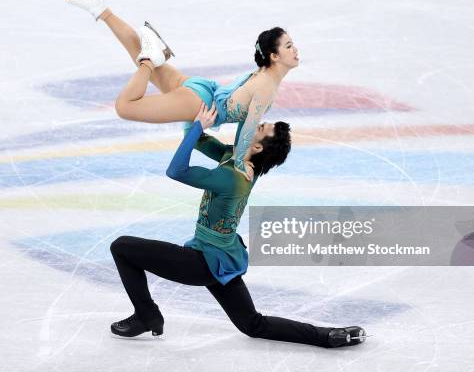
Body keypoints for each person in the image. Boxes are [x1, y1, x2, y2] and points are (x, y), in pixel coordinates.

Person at [108, 102, 367, 348]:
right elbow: (195, 138)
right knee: (253, 324)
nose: (254, 124)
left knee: (122, 247)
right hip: (224, 257)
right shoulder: (237, 159)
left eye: (260, 128)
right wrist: (194, 112)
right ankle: (328, 336)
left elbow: (176, 171)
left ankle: (146, 315)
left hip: (201, 262)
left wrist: (199, 125)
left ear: (256, 148)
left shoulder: (232, 177)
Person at [60, 0, 300, 181]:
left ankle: (99, 6)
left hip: (202, 88)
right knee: (125, 106)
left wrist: (238, 154)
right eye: (289, 46)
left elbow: (246, 125)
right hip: (198, 103)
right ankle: (149, 57)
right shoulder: (268, 86)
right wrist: (239, 164)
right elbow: (248, 126)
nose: (295, 50)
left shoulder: (264, 76)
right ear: (274, 56)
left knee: (137, 50)